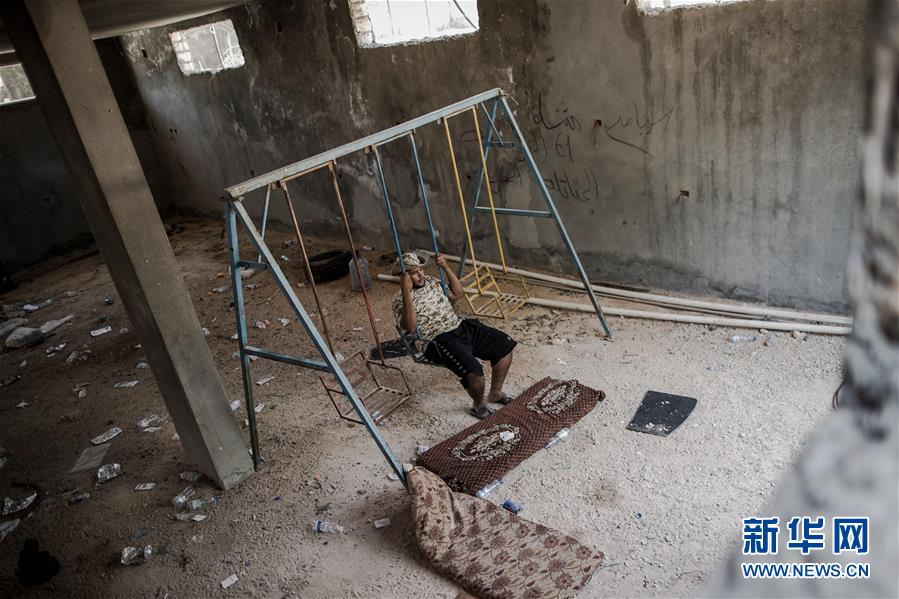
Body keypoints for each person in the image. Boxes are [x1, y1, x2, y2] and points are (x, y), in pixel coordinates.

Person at [392, 251, 516, 419]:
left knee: (504, 344)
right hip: (435, 338)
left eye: (420, 269)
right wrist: (406, 291)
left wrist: (445, 267)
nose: (420, 274)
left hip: (458, 325)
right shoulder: (399, 298)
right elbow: (410, 326)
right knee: (475, 372)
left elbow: (457, 294)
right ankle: (479, 406)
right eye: (414, 272)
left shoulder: (432, 281)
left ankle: (496, 393)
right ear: (404, 277)